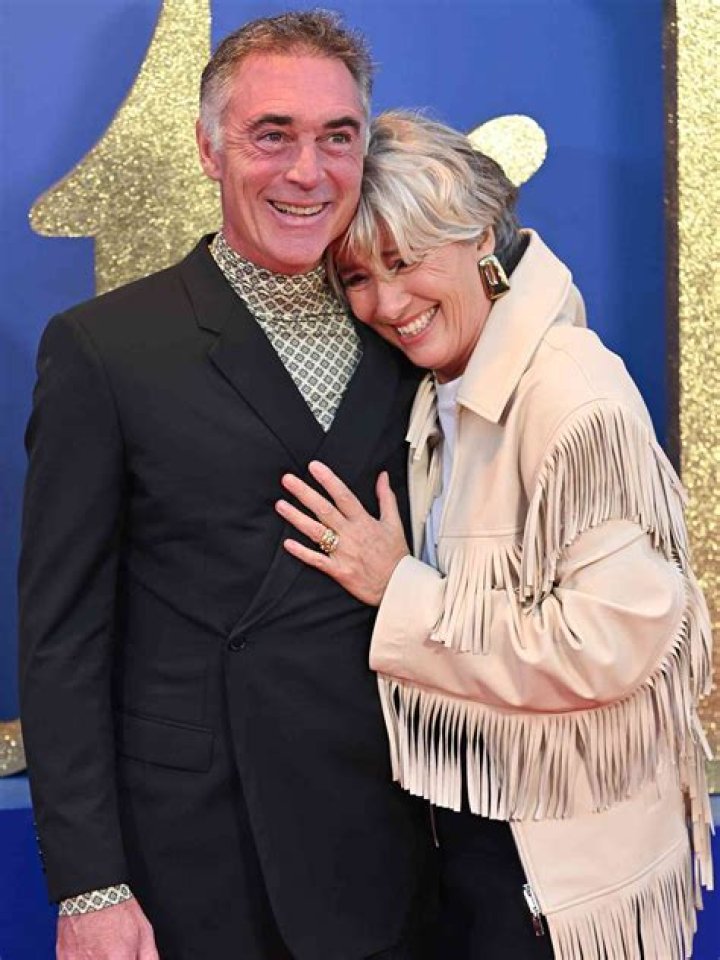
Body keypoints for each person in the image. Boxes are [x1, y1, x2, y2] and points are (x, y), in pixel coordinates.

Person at [18, 19, 437, 960]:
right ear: (210, 149)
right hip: (196, 856)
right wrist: (89, 885)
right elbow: (62, 638)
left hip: (395, 844)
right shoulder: (106, 349)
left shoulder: (413, 333)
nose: (308, 172)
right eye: (272, 135)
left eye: (338, 137)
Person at [276, 110, 714, 960]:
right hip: (471, 842)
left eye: (406, 260)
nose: (387, 304)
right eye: (357, 276)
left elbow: (613, 642)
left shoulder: (568, 391)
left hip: (556, 880)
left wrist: (397, 590)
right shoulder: (440, 383)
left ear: (479, 236)